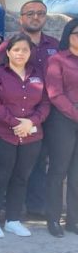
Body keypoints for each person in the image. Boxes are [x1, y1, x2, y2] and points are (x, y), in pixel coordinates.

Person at [0, 0, 59, 218]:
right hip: (17, 115)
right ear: (21, 18)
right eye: (30, 13)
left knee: (41, 158)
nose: (35, 17)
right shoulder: (9, 46)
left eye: (40, 13)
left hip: (49, 110)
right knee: (11, 161)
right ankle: (4, 207)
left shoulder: (55, 45)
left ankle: (36, 206)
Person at [0, 35, 50, 239]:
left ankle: (13, 220)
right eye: (17, 49)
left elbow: (45, 103)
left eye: (25, 50)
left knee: (21, 178)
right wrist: (16, 123)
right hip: (0, 134)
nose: (21, 53)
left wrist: (32, 122)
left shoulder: (37, 75)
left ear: (30, 53)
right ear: (8, 52)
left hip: (31, 136)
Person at [43, 19, 78, 237]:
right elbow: (55, 94)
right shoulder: (57, 60)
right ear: (69, 35)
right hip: (62, 120)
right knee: (58, 170)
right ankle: (53, 219)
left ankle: (73, 220)